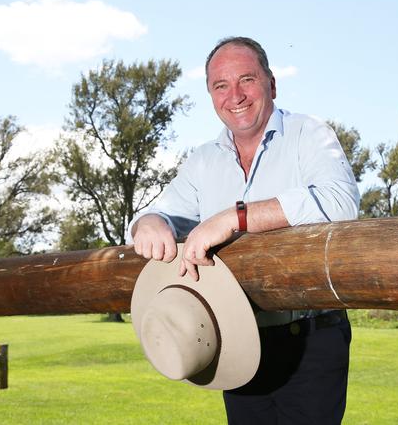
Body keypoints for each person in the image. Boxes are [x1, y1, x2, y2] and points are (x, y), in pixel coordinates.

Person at [128, 36, 359, 424]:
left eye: (246, 79)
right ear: (211, 94)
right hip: (237, 343)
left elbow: (342, 203)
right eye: (221, 85)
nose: (234, 94)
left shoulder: (309, 134)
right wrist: (149, 223)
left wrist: (235, 217)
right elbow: (161, 212)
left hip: (311, 338)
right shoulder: (202, 160)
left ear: (271, 84)